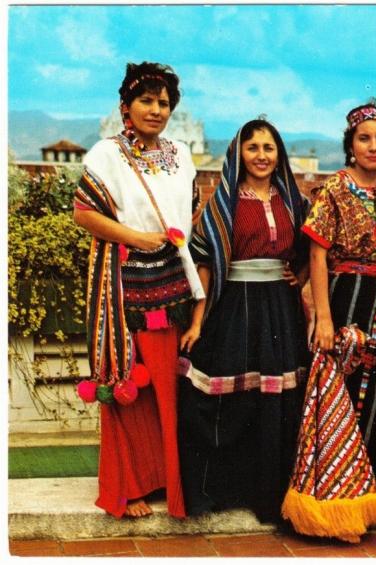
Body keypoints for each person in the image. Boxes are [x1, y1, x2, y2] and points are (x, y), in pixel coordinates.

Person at [74, 61, 202, 519]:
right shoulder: (106, 154)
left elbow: (189, 215)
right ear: (125, 106)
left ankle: (167, 481)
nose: (156, 109)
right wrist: (135, 237)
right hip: (124, 282)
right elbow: (84, 214)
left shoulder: (181, 154)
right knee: (129, 381)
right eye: (146, 100)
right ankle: (130, 487)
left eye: (163, 102)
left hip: (172, 282)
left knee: (166, 383)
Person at [176, 118, 310, 523]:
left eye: (269, 148)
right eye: (253, 148)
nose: (262, 156)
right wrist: (198, 322)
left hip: (279, 310)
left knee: (276, 401)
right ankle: (219, 490)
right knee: (228, 398)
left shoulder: (295, 202)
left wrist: (298, 276)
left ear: (279, 154)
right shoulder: (223, 203)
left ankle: (267, 493)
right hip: (233, 305)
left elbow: (313, 252)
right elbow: (205, 266)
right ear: (239, 153)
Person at [301, 99, 376, 496]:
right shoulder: (335, 188)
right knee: (342, 386)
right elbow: (317, 253)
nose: (373, 146)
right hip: (346, 294)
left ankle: (375, 483)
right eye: (364, 138)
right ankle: (337, 482)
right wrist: (323, 318)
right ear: (351, 144)